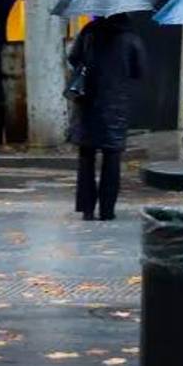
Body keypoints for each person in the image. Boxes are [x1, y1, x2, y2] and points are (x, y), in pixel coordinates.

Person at [68, 13, 147, 222]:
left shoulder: (89, 32)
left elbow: (73, 58)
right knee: (112, 158)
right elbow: (139, 70)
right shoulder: (130, 38)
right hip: (116, 104)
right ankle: (107, 209)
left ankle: (86, 208)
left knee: (86, 157)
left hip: (88, 102)